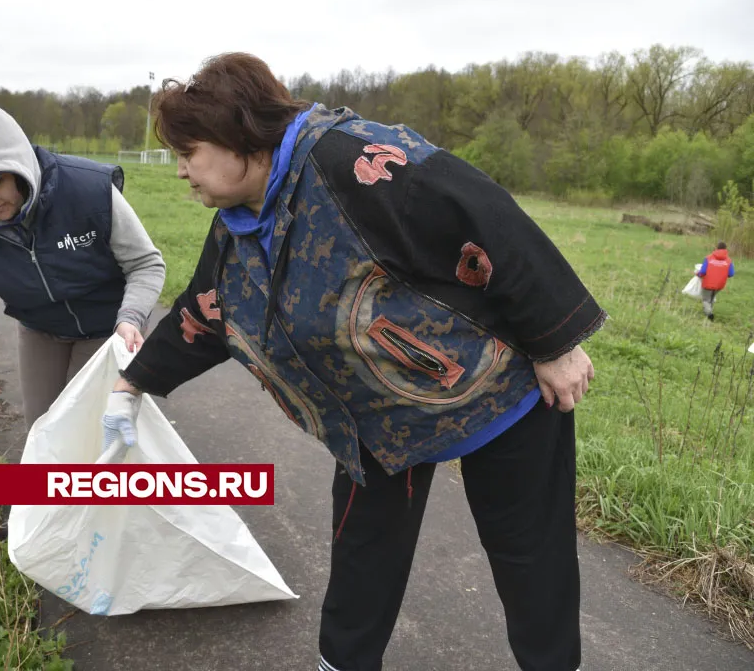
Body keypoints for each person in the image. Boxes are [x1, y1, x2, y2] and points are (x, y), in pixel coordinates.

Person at [102, 53, 604, 671]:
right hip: (376, 416)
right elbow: (209, 312)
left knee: (528, 552)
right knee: (365, 548)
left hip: (492, 385)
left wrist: (556, 342)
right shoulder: (237, 225)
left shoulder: (357, 162)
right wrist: (133, 382)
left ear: (239, 137)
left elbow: (489, 216)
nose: (181, 171)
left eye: (190, 152)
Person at [0, 104, 166, 435]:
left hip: (108, 329)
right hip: (39, 331)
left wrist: (131, 317)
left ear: (19, 165)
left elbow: (145, 263)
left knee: (92, 431)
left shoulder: (89, 190)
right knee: (43, 431)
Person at [696, 241, 734, 321]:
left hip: (708, 283)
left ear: (717, 248)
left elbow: (703, 272)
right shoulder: (729, 261)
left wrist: (698, 274)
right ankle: (709, 311)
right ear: (725, 249)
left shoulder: (708, 258)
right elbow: (731, 274)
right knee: (712, 297)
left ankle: (709, 314)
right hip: (720, 284)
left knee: (706, 299)